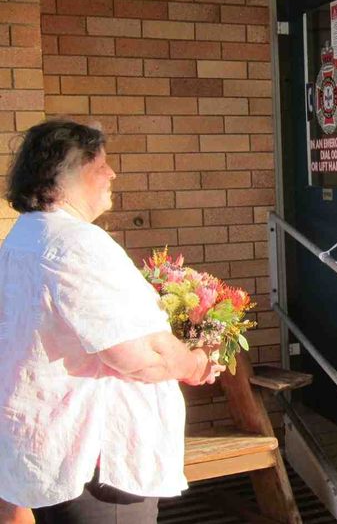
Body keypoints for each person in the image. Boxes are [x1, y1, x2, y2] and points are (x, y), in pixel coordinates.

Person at [0, 119, 224, 524]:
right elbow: (139, 356)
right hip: (99, 465)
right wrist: (195, 363)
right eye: (101, 163)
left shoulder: (24, 237)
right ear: (66, 171)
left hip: (53, 449)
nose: (112, 174)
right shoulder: (76, 244)